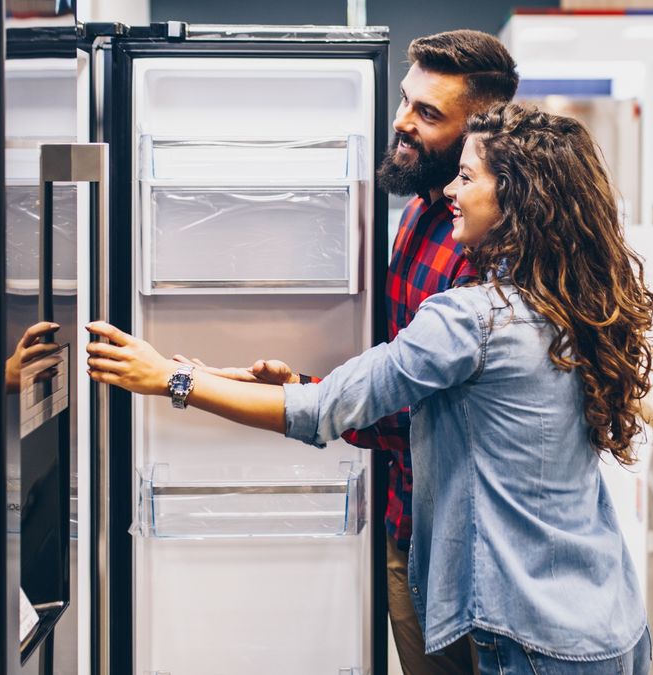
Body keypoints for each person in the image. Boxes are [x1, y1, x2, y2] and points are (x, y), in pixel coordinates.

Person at [86, 103, 653, 675]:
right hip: (607, 619)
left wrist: (173, 381)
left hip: (529, 636)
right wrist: (222, 375)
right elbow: (380, 396)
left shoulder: (473, 319)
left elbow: (321, 410)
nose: (451, 193)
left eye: (467, 177)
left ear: (517, 196)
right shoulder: (573, 302)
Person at [176, 29, 518, 675]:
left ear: (483, 131)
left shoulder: (488, 263)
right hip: (407, 516)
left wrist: (185, 384)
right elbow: (400, 371)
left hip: (473, 546)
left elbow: (407, 406)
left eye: (428, 113)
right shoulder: (422, 209)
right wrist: (299, 382)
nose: (402, 122)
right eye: (405, 101)